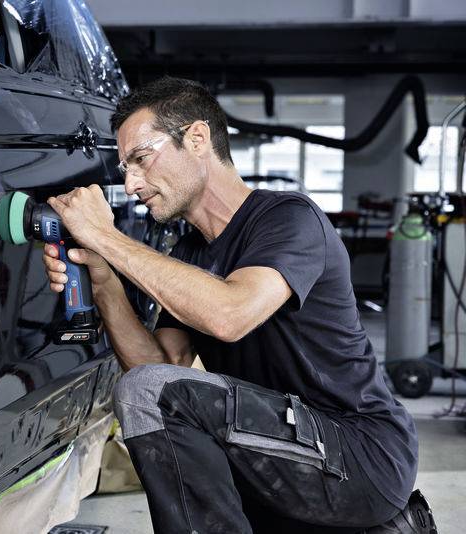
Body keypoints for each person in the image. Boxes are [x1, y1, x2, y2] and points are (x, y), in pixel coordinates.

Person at [42, 77, 432, 533]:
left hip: (359, 456)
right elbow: (159, 367)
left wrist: (106, 235)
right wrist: (104, 276)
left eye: (141, 160)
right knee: (146, 388)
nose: (131, 184)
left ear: (197, 138)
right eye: (126, 167)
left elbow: (230, 314)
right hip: (281, 452)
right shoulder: (189, 253)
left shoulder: (289, 219)